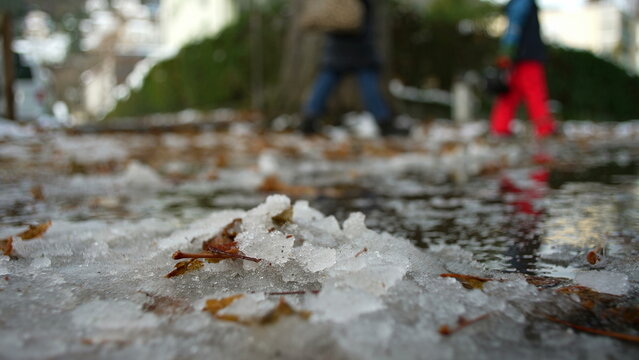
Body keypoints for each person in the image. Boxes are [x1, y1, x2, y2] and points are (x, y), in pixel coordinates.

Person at [301, 0, 400, 136]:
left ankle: (309, 117)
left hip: (337, 40)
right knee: (367, 76)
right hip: (358, 40)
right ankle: (383, 121)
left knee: (329, 76)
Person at [490, 0, 556, 139]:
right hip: (528, 57)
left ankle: (499, 129)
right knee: (535, 92)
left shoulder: (518, 3)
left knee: (509, 93)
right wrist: (506, 52)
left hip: (520, 57)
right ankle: (544, 129)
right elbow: (514, 28)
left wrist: (507, 53)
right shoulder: (522, 3)